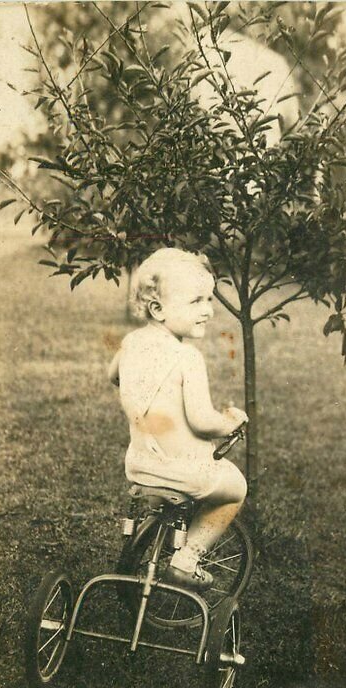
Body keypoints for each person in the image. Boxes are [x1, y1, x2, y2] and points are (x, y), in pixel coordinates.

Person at [108, 247, 247, 590]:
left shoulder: (131, 343)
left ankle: (153, 546)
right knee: (235, 488)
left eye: (209, 300)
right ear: (158, 308)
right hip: (183, 470)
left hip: (141, 466)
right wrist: (229, 422)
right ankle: (189, 557)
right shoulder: (187, 357)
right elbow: (201, 420)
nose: (208, 311)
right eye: (196, 301)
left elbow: (114, 374)